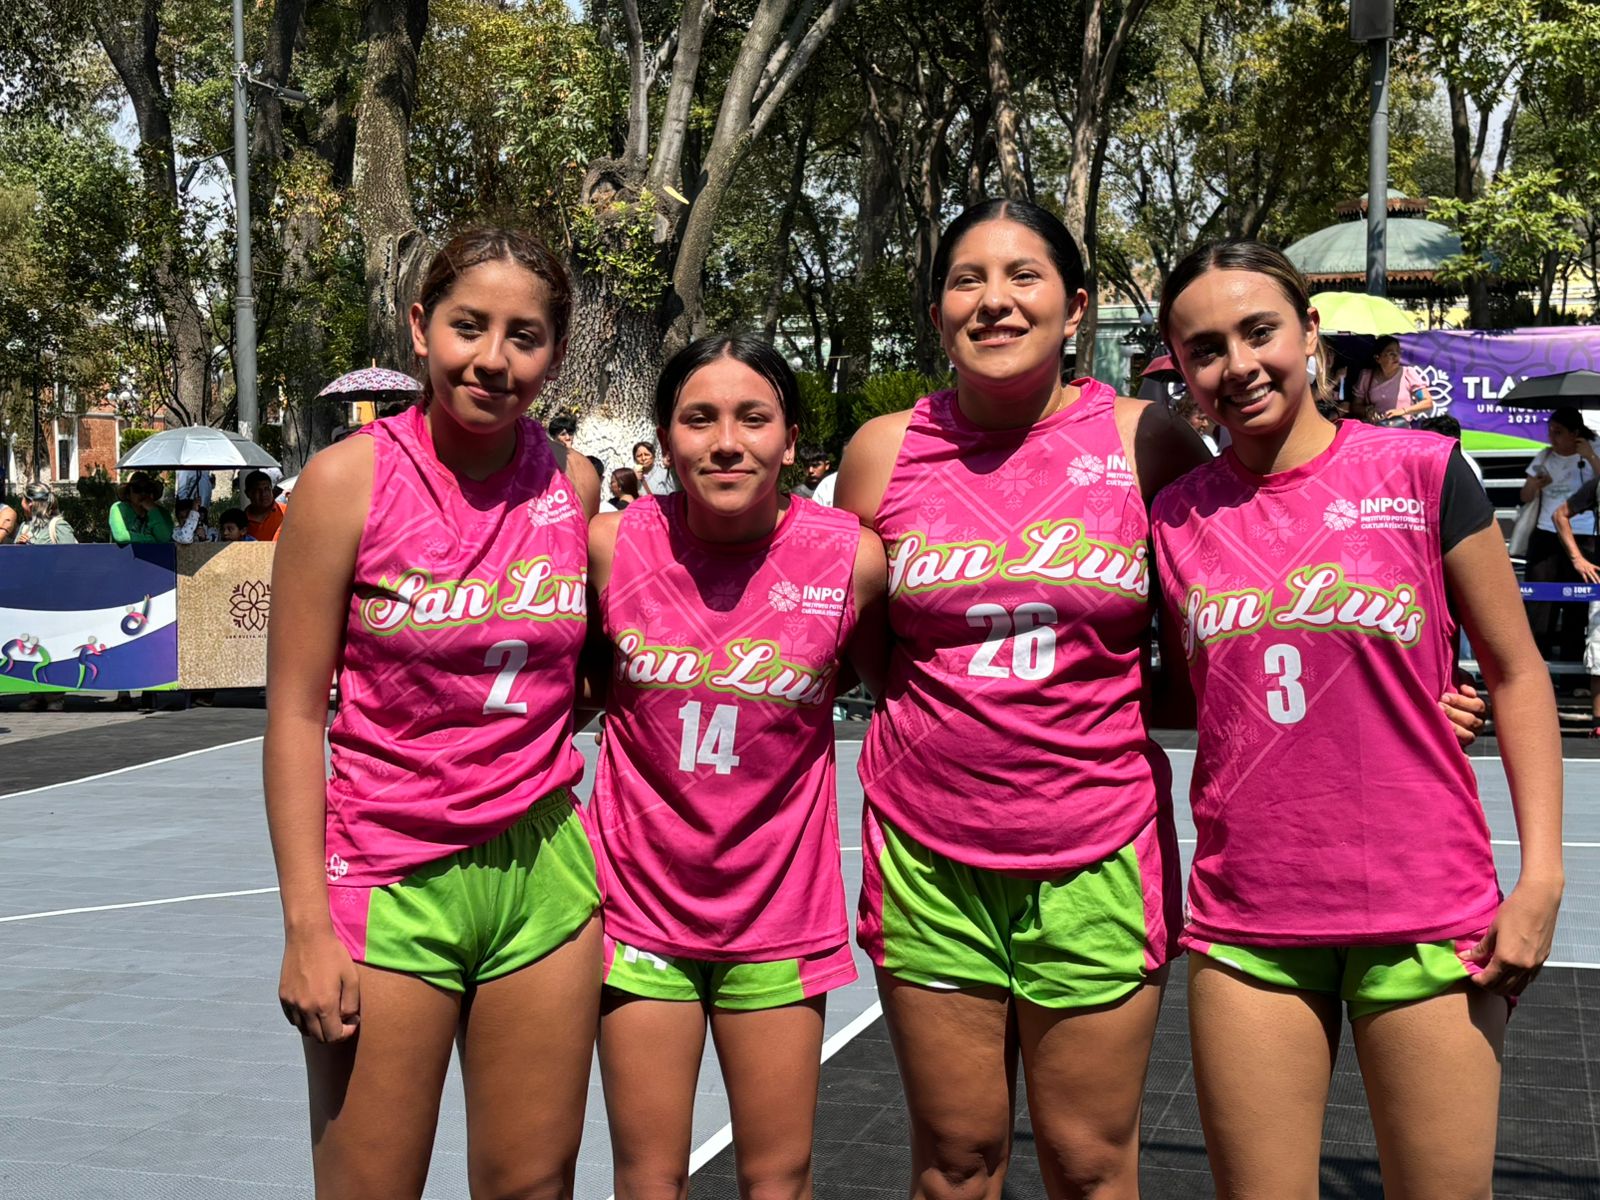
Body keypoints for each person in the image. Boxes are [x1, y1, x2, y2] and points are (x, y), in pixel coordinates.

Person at [1152, 239, 1562, 1200]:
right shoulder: (1174, 516)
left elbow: (1516, 673)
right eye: (1205, 349)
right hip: (1248, 915)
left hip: (1424, 901)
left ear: (1309, 332)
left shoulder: (1422, 470)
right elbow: (1188, 693)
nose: (1238, 365)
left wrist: (1542, 877)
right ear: (1182, 370)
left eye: (1259, 331)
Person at [834, 198, 1212, 1199]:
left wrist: (1419, 690)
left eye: (1023, 277)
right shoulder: (880, 452)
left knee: (1090, 1165)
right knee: (956, 1161)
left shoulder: (1148, 441)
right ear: (936, 313)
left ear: (1075, 307)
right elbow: (870, 652)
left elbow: (1223, 627)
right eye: (968, 279)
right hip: (926, 856)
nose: (995, 301)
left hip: (1099, 849)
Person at [264, 227, 603, 1199]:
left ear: (555, 354)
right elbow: (294, 717)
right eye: (468, 326)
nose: (493, 359)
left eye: (524, 336)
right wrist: (306, 927)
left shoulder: (572, 484)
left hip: (544, 877)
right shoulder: (347, 483)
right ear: (420, 328)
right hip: (388, 878)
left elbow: (589, 676)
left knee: (533, 1187)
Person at [589, 334, 886, 1200]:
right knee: (648, 1178)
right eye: (699, 419)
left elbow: (885, 686)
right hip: (637, 907)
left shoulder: (853, 559)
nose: (726, 442)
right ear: (663, 439)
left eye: (753, 418)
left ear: (790, 440)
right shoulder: (612, 546)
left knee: (778, 1177)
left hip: (780, 910)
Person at [1521, 405, 1600, 669]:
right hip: (1547, 534)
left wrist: (1590, 457)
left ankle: (1571, 675)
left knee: (1577, 607)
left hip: (1584, 535)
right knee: (1540, 604)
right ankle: (1536, 668)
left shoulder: (1594, 450)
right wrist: (1534, 484)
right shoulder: (1544, 456)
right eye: (1550, 432)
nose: (1552, 438)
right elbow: (1524, 496)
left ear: (1575, 433)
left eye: (1558, 432)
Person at [1552, 477, 1600, 737]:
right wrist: (1577, 559)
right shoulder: (1597, 485)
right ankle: (1598, 725)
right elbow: (1560, 515)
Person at [1354, 336, 1434, 424]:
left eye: (1398, 351)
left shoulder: (1408, 373)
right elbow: (1355, 406)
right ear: (1377, 358)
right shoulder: (1366, 376)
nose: (1396, 356)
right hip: (1374, 427)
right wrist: (1367, 411)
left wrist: (1402, 411)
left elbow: (1428, 403)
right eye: (1391, 353)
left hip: (1400, 427)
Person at [109, 472, 173, 544]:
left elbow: (165, 538)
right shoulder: (118, 509)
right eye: (137, 489)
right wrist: (151, 539)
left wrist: (153, 511)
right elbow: (120, 536)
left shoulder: (162, 513)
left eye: (147, 489)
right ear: (128, 494)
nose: (143, 493)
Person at [243, 469, 288, 542]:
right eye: (258, 490)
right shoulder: (241, 521)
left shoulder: (287, 512)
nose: (263, 494)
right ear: (248, 493)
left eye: (266, 489)